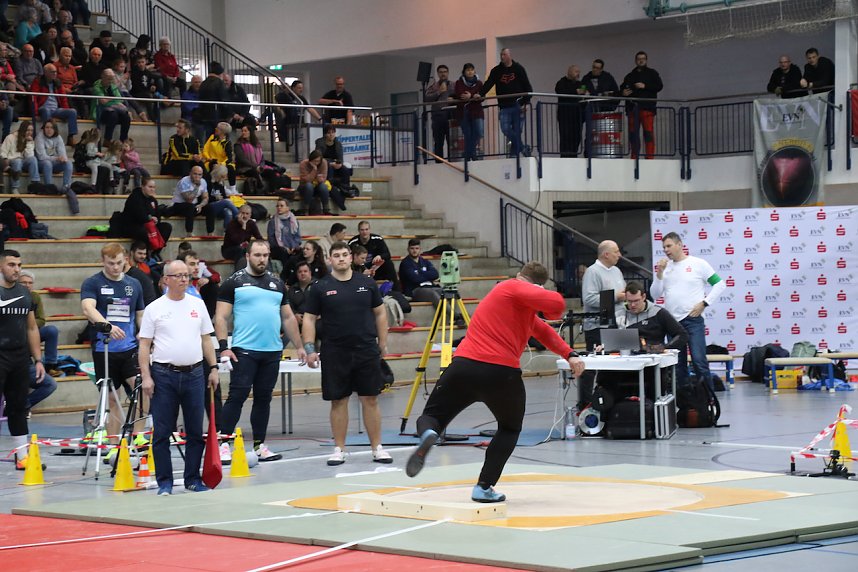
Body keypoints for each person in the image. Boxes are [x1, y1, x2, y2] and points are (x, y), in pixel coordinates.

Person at [405, 261, 585, 502]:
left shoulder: (517, 304)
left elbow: (543, 331)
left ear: (521, 274)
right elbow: (556, 306)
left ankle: (428, 433)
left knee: (433, 416)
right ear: (534, 285)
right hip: (501, 374)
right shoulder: (510, 287)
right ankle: (484, 487)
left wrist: (570, 354)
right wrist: (542, 297)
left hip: (464, 367)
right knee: (509, 429)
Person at [214, 240, 307, 463]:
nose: (262, 259)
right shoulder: (233, 283)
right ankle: (223, 443)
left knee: (264, 399)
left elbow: (287, 317)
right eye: (257, 255)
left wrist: (300, 346)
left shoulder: (276, 283)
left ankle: (259, 445)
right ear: (248, 255)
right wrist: (224, 348)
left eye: (265, 255)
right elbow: (220, 317)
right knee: (237, 396)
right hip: (244, 350)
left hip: (272, 352)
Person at [302, 241, 393, 466]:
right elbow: (309, 319)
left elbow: (380, 314)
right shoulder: (320, 287)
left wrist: (383, 342)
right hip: (335, 351)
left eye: (345, 254)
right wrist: (310, 348)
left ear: (351, 258)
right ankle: (339, 449)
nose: (341, 258)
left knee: (370, 399)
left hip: (366, 350)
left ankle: (377, 448)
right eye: (337, 255)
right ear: (330, 259)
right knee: (338, 400)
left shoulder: (367, 283)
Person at [138, 259, 219, 496]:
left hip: (194, 374)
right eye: (179, 276)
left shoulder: (197, 304)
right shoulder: (155, 308)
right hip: (164, 375)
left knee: (195, 431)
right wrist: (146, 376)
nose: (184, 279)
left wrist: (213, 368)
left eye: (186, 275)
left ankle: (193, 479)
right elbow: (144, 345)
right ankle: (164, 482)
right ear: (166, 280)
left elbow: (206, 339)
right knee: (162, 432)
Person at [80, 242, 146, 463]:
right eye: (111, 264)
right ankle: (114, 445)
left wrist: (144, 336)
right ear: (103, 262)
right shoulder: (93, 283)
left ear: (125, 259)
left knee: (142, 389)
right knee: (112, 398)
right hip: (104, 348)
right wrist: (107, 325)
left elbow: (140, 314)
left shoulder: (134, 284)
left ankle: (138, 436)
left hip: (129, 349)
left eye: (119, 263)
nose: (116, 267)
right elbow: (88, 308)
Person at [651, 232, 726, 393]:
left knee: (699, 361)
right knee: (678, 365)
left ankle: (708, 400)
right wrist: (659, 274)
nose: (666, 250)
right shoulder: (666, 269)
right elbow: (655, 294)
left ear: (680, 245)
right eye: (664, 247)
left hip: (693, 320)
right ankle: (685, 402)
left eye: (669, 246)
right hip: (673, 323)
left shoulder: (698, 264)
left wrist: (704, 303)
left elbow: (719, 284)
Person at [0, 249, 46, 470]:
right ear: (1, 266)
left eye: (19, 265)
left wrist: (38, 360)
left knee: (18, 406)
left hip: (19, 358)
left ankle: (22, 457)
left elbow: (31, 327)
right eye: (11, 264)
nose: (16, 269)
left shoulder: (25, 293)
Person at [480, 48, 533, 157]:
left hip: (518, 104)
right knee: (505, 129)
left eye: (504, 54)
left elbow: (528, 87)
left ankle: (514, 155)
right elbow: (488, 84)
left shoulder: (518, 69)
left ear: (510, 55)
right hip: (504, 105)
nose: (502, 57)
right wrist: (480, 94)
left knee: (517, 131)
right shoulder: (496, 71)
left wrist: (526, 102)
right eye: (501, 55)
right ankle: (523, 147)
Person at [581, 240, 627, 351]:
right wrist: (616, 297)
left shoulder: (617, 271)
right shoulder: (592, 272)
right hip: (598, 327)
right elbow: (589, 299)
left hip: (618, 324)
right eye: (616, 252)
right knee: (602, 364)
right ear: (606, 254)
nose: (619, 255)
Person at [111, 176, 172, 258]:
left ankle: (156, 252)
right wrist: (150, 218)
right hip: (131, 226)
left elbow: (158, 215)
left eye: (154, 187)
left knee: (167, 227)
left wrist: (156, 220)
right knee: (143, 231)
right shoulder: (135, 197)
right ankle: (145, 254)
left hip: (148, 226)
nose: (152, 189)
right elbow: (140, 216)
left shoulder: (153, 200)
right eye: (150, 187)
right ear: (143, 186)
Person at [618, 281, 687, 352]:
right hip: (625, 356)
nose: (633, 305)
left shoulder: (658, 313)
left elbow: (682, 335)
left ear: (643, 297)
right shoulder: (618, 314)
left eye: (636, 301)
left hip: (654, 357)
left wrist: (665, 347)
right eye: (629, 301)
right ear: (625, 298)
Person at [17, 269, 60, 377]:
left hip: (31, 330)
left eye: (30, 283)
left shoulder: (35, 297)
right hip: (16, 335)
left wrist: (28, 324)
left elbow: (41, 319)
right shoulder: (10, 296)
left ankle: (50, 366)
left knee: (51, 330)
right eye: (24, 282)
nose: (27, 285)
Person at [621, 51, 663, 160]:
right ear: (636, 61)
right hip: (632, 108)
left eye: (643, 58)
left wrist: (645, 86)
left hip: (647, 107)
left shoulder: (652, 73)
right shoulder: (630, 76)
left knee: (648, 133)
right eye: (639, 58)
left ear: (646, 60)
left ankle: (650, 157)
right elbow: (622, 89)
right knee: (633, 134)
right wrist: (623, 93)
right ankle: (634, 156)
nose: (641, 60)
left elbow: (659, 86)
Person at [31, 63, 79, 145]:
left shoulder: (58, 82)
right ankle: (47, 137)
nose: (55, 74)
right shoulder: (38, 81)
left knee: (72, 112)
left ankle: (71, 137)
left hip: (56, 109)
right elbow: (33, 98)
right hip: (43, 108)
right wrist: (35, 113)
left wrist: (65, 110)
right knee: (46, 111)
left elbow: (63, 98)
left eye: (56, 72)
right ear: (45, 73)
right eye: (52, 72)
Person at [347, 220, 399, 288]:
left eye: (366, 229)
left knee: (389, 263)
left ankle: (396, 290)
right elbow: (348, 258)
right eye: (362, 230)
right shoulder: (352, 242)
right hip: (359, 267)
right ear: (359, 231)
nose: (364, 232)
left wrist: (380, 256)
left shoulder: (378, 239)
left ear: (369, 230)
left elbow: (387, 254)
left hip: (375, 266)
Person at [275, 80, 320, 151]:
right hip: (288, 125)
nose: (301, 90)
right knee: (289, 144)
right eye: (299, 88)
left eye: (302, 88)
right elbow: (277, 101)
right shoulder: (285, 96)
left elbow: (309, 108)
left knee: (299, 144)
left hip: (299, 125)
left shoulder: (301, 98)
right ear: (293, 88)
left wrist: (319, 118)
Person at [91, 68, 131, 143]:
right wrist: (114, 101)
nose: (110, 82)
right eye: (108, 79)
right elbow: (103, 101)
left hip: (113, 111)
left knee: (126, 116)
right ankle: (107, 140)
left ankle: (123, 140)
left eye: (111, 79)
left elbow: (120, 100)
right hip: (100, 112)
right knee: (113, 114)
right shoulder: (97, 86)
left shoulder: (112, 86)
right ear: (103, 77)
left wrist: (110, 100)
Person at [454, 63, 484, 162]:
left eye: (472, 69)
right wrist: (473, 96)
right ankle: (472, 155)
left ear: (474, 71)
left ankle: (468, 153)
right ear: (464, 72)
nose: (470, 72)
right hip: (463, 112)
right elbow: (460, 94)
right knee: (468, 134)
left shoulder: (479, 83)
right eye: (468, 70)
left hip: (477, 111)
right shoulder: (459, 82)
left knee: (479, 132)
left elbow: (481, 96)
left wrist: (470, 95)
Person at [0, 120, 41, 192]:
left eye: (31, 130)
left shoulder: (29, 140)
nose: (30, 132)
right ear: (23, 129)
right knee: (17, 160)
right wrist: (5, 159)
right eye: (28, 130)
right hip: (11, 160)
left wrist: (29, 142)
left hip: (23, 161)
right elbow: (3, 152)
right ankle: (15, 187)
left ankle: (35, 184)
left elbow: (29, 156)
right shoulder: (11, 137)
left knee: (33, 159)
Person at [398, 238, 442, 306]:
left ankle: (452, 314)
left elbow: (435, 274)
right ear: (408, 249)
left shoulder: (425, 261)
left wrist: (420, 273)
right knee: (432, 293)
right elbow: (415, 279)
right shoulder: (405, 263)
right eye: (412, 248)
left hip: (429, 287)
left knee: (447, 292)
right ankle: (454, 315)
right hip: (415, 290)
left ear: (420, 249)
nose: (414, 251)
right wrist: (428, 276)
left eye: (417, 248)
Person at [555, 64, 586, 158]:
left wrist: (585, 94)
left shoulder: (580, 84)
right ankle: (565, 157)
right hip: (565, 115)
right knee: (565, 138)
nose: (578, 74)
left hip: (577, 116)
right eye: (576, 72)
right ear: (569, 72)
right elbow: (561, 92)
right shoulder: (561, 82)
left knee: (576, 138)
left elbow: (584, 94)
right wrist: (576, 92)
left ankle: (574, 155)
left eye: (579, 72)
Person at [168, 164, 208, 237]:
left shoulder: (203, 182)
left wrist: (201, 205)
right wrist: (196, 186)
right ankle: (189, 232)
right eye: (195, 174)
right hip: (179, 205)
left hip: (193, 205)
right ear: (190, 173)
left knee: (209, 207)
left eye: (199, 175)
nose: (197, 177)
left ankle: (210, 232)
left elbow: (205, 197)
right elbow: (189, 199)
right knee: (190, 207)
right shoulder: (184, 181)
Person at [425, 64, 455, 161]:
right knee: (438, 141)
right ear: (438, 73)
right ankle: (439, 162)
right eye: (441, 72)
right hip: (438, 116)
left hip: (451, 115)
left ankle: (452, 161)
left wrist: (454, 99)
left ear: (448, 73)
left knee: (452, 141)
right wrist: (439, 92)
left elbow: (460, 95)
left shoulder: (454, 85)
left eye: (445, 72)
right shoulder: (433, 86)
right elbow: (426, 98)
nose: (443, 74)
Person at [34, 119, 73, 194]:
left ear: (55, 129)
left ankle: (66, 187)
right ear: (44, 128)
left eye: (51, 128)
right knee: (47, 163)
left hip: (54, 163)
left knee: (68, 163)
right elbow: (41, 157)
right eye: (47, 127)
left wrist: (63, 158)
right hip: (41, 164)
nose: (49, 130)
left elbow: (63, 154)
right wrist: (57, 158)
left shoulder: (58, 137)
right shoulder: (39, 137)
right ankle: (49, 187)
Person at [267, 197, 301, 272]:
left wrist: (293, 246)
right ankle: (286, 275)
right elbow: (271, 239)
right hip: (278, 248)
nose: (279, 208)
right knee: (283, 252)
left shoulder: (294, 221)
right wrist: (285, 247)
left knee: (301, 252)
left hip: (292, 247)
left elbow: (297, 237)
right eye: (277, 206)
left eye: (281, 206)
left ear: (287, 208)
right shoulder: (273, 222)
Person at [202, 121, 237, 194]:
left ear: (222, 132)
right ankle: (222, 187)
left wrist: (222, 164)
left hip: (223, 162)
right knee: (214, 166)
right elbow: (205, 149)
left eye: (218, 128)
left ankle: (233, 188)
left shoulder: (227, 143)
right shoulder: (212, 137)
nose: (215, 129)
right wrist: (208, 157)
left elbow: (229, 157)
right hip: (211, 160)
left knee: (230, 167)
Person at [204, 163, 239, 234]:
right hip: (208, 205)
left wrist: (222, 198)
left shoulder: (220, 182)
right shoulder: (207, 181)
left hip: (219, 205)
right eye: (222, 176)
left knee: (228, 211)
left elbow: (224, 196)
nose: (224, 179)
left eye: (224, 177)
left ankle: (226, 231)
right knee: (226, 202)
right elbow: (205, 197)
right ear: (218, 175)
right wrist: (215, 198)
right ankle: (240, 216)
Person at [197, 61, 228, 138]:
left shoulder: (203, 83)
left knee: (209, 138)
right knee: (220, 138)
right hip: (217, 115)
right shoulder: (219, 83)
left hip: (204, 115)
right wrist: (228, 114)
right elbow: (224, 100)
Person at [296, 150, 330, 215]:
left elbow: (324, 178)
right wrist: (314, 170)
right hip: (304, 187)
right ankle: (305, 209)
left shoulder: (324, 163)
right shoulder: (303, 164)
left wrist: (320, 179)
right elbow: (307, 180)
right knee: (309, 185)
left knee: (323, 186)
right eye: (314, 161)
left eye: (318, 161)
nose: (316, 163)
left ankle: (326, 209)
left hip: (317, 185)